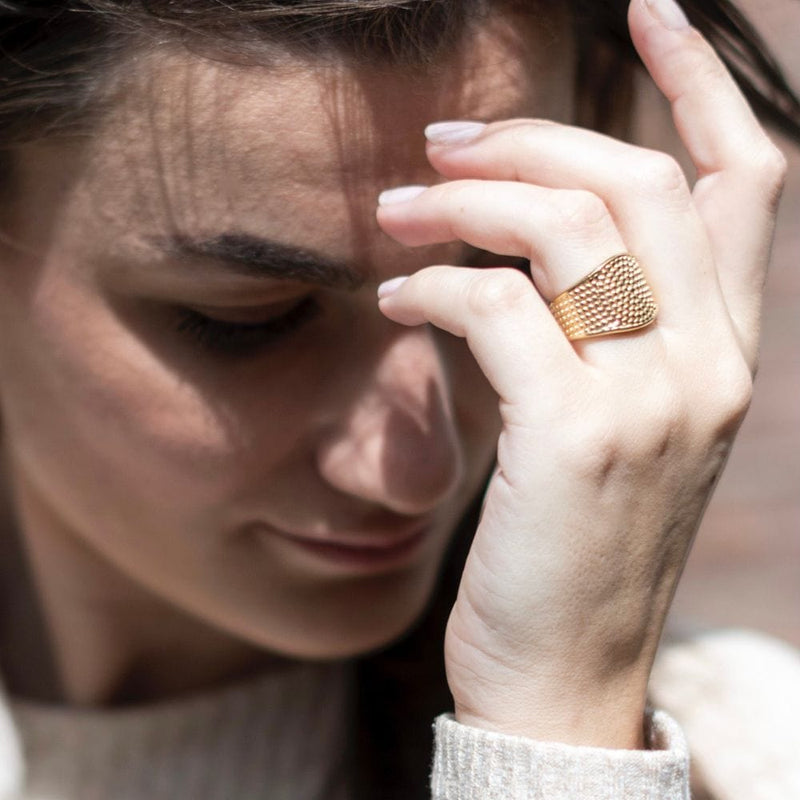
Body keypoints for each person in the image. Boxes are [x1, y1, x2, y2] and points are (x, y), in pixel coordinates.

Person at [0, 0, 798, 797]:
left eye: (511, 277)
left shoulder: (757, 753)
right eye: (247, 321)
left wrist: (562, 727)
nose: (418, 473)